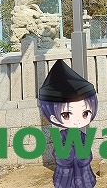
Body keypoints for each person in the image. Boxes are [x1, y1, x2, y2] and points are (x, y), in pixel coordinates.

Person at [38, 60, 98, 188]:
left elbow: (87, 156)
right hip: (67, 180)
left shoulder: (82, 136)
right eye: (66, 115)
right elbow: (61, 157)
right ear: (54, 118)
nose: (77, 120)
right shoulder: (61, 137)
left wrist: (82, 155)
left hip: (84, 179)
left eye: (85, 113)